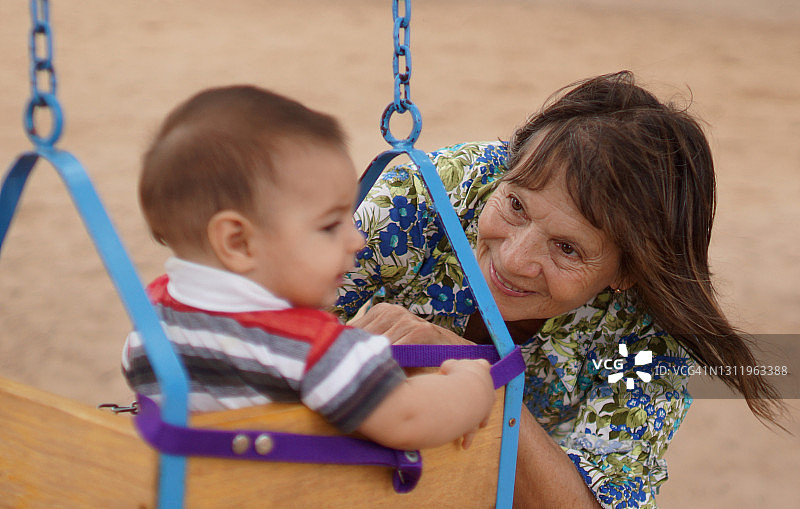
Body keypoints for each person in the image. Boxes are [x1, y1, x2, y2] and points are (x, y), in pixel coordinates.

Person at [335, 71, 785, 507]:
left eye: (567, 248)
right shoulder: (440, 195)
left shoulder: (648, 338)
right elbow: (271, 314)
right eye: (515, 206)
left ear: (627, 272)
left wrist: (481, 379)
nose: (514, 259)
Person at [121, 85, 496, 451]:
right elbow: (409, 417)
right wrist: (471, 385)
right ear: (237, 241)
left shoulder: (150, 322)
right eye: (330, 225)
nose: (357, 240)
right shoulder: (309, 348)